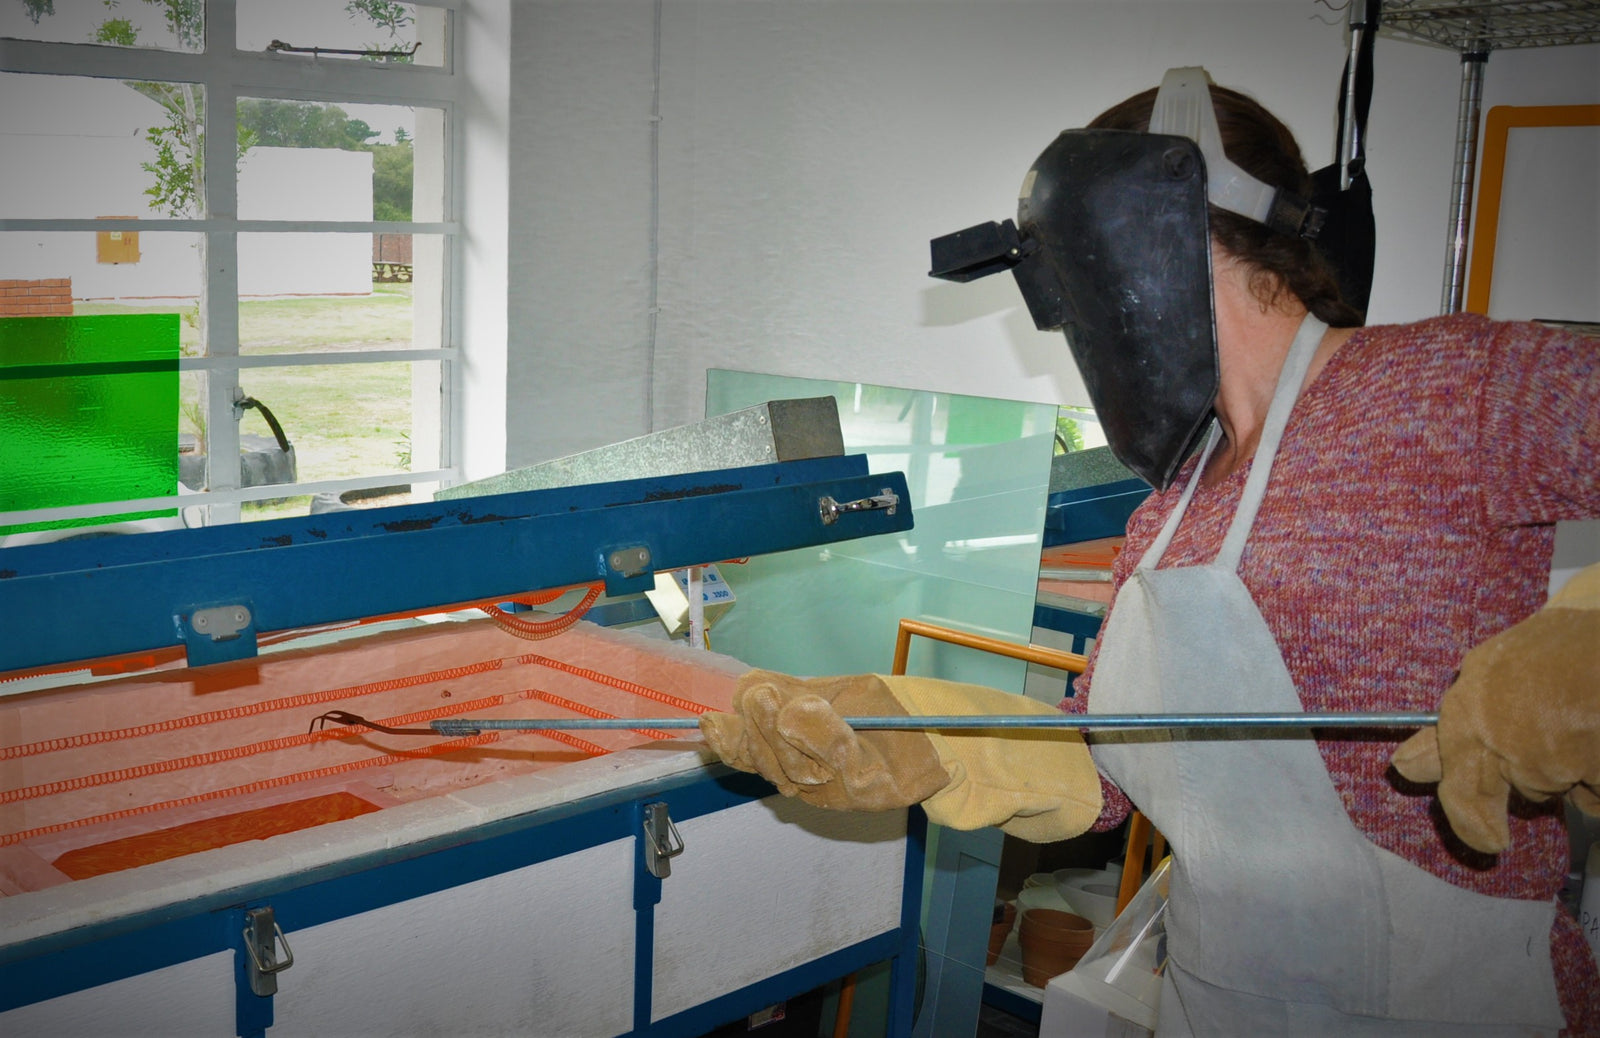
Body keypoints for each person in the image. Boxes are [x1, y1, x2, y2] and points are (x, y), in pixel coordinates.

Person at [702, 68, 1600, 1035]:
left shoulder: (1445, 385)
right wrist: (909, 734)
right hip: (1219, 1004)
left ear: (1148, 229)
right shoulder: (1174, 508)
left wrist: (1584, 639)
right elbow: (1104, 774)